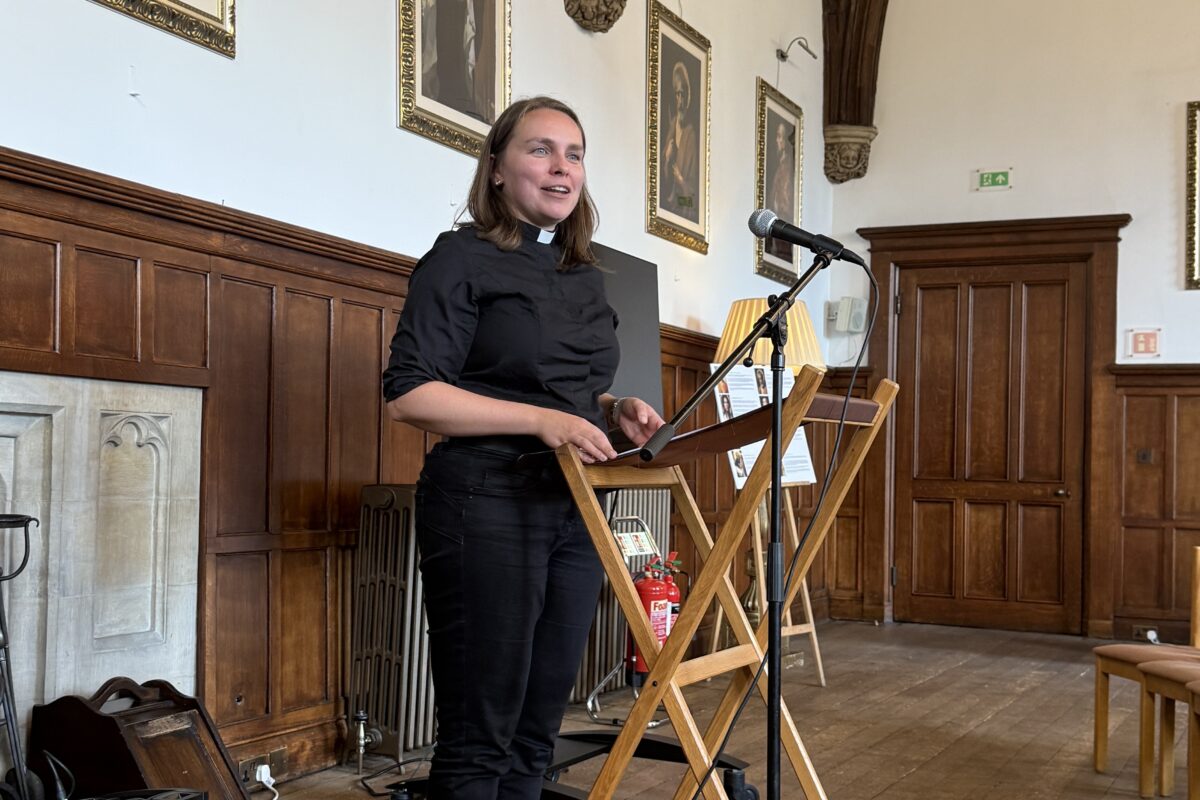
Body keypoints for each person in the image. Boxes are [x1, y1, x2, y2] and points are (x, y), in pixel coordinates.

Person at [382, 96, 665, 800]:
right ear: (498, 169)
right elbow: (410, 394)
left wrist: (613, 408)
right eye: (540, 149)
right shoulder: (460, 258)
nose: (561, 167)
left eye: (574, 154)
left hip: (571, 508)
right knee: (483, 733)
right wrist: (542, 423)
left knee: (539, 731)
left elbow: (552, 390)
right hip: (484, 500)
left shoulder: (584, 275)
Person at [661, 60, 699, 221]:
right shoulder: (672, 126)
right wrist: (666, 159)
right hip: (670, 202)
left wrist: (681, 180)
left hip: (684, 206)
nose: (680, 100)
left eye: (683, 94)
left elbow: (692, 195)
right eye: (678, 94)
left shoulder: (690, 134)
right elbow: (663, 177)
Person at [766, 119, 795, 261]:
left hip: (782, 226)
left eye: (780, 136)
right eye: (777, 136)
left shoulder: (787, 166)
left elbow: (785, 198)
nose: (777, 140)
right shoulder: (780, 165)